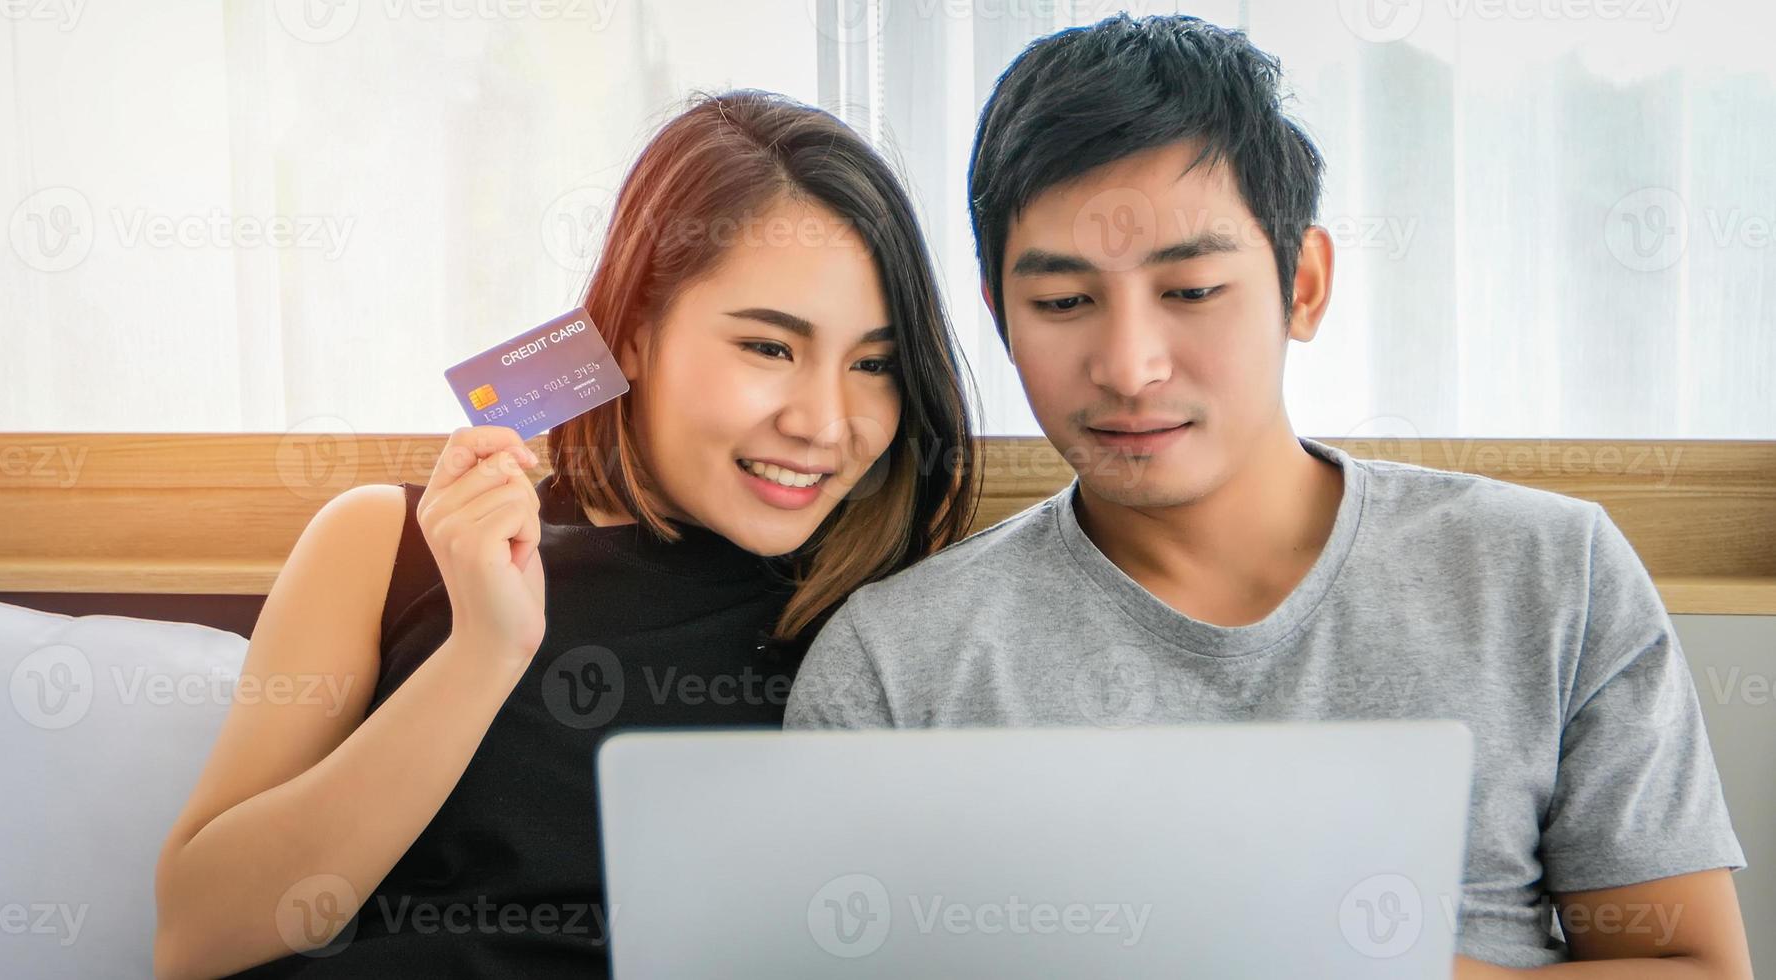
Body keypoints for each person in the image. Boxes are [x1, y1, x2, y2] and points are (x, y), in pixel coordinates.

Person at [785, 15, 1751, 976]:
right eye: (1063, 303)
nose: (1129, 368)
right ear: (998, 316)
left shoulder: (1548, 573)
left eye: (1193, 290)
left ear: (1304, 284)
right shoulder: (894, 668)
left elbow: (1694, 966)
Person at [152, 88, 977, 979]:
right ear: (632, 332)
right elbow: (197, 936)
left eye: (874, 364)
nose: (824, 422)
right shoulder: (384, 543)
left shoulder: (901, 616)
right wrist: (483, 655)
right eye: (769, 349)